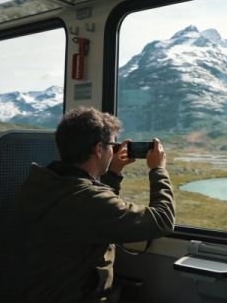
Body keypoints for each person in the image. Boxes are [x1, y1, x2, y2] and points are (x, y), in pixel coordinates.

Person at [17, 106, 175, 303]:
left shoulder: (45, 184)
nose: (113, 151)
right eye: (112, 146)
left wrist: (113, 174)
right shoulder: (88, 200)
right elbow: (163, 220)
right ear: (99, 149)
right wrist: (158, 170)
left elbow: (91, 213)